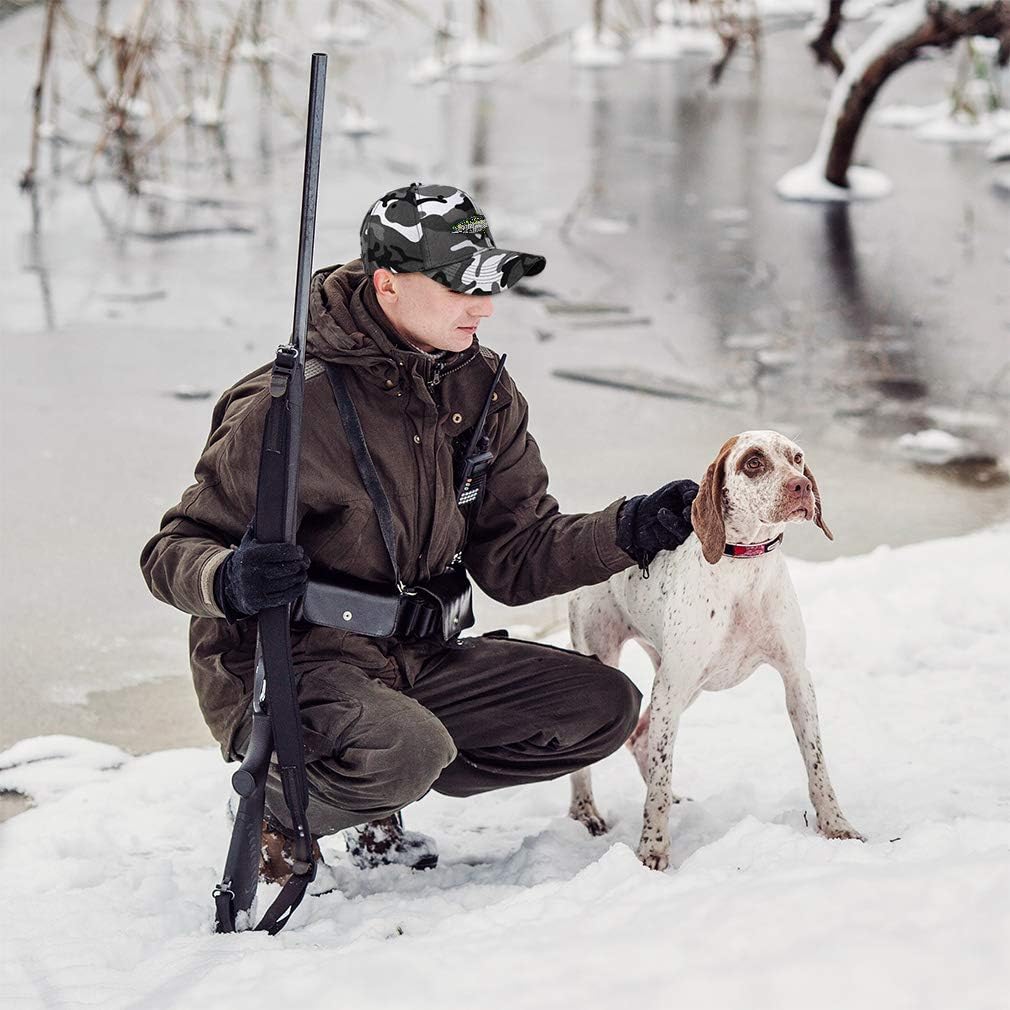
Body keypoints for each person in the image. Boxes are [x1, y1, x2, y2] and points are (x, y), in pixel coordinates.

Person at [140, 182, 698, 883]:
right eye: (459, 286)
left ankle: (383, 778)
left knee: (601, 708)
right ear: (388, 285)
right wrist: (230, 576)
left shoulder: (482, 390)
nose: (485, 307)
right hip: (290, 669)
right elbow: (171, 553)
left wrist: (630, 528)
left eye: (487, 284)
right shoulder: (286, 404)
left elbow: (515, 558)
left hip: (414, 659)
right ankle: (282, 806)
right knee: (406, 749)